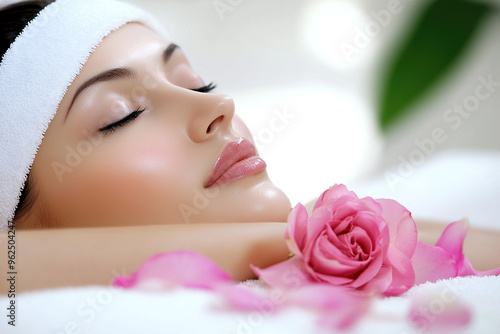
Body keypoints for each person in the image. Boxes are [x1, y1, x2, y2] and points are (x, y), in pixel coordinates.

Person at [0, 0, 498, 295]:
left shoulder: (408, 211)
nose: (218, 105)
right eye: (121, 115)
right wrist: (287, 243)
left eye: (197, 83)